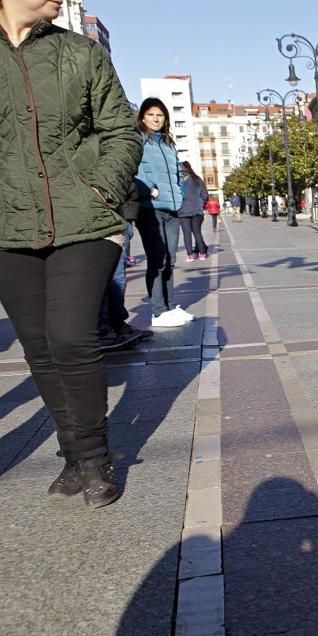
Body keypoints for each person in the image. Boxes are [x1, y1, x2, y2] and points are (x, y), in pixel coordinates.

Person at [0, 0, 142, 508]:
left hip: (84, 218)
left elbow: (121, 132)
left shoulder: (80, 52)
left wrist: (101, 188)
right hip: (8, 226)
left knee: (70, 337)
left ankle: (96, 457)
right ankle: (73, 456)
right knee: (38, 347)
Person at [135, 98, 193, 329]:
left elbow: (178, 175)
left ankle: (170, 307)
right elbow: (134, 170)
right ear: (142, 117)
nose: (156, 119)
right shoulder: (138, 141)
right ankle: (158, 311)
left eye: (160, 115)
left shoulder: (169, 144)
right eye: (151, 114)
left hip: (172, 208)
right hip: (150, 208)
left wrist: (179, 195)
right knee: (157, 259)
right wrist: (150, 189)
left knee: (170, 260)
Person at [98, 181, 153, 352]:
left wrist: (129, 216)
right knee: (107, 278)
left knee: (117, 277)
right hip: (100, 217)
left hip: (118, 216)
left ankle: (116, 325)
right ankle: (104, 331)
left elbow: (128, 182)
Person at [177, 162, 208, 262]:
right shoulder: (197, 178)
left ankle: (190, 255)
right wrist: (200, 203)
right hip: (197, 210)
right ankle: (202, 254)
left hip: (182, 210)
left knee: (186, 233)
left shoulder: (177, 180)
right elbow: (205, 194)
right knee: (197, 232)